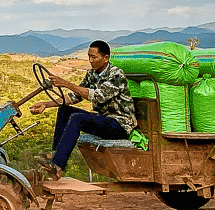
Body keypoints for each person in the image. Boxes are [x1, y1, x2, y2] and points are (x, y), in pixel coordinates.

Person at [27, 40, 138, 177]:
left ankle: (58, 166)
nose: (90, 61)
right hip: (104, 121)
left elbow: (97, 97)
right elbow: (73, 97)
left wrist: (66, 83)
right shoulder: (92, 74)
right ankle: (55, 156)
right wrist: (46, 104)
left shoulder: (116, 75)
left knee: (77, 118)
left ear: (106, 58)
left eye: (94, 57)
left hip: (119, 125)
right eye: (89, 57)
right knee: (64, 110)